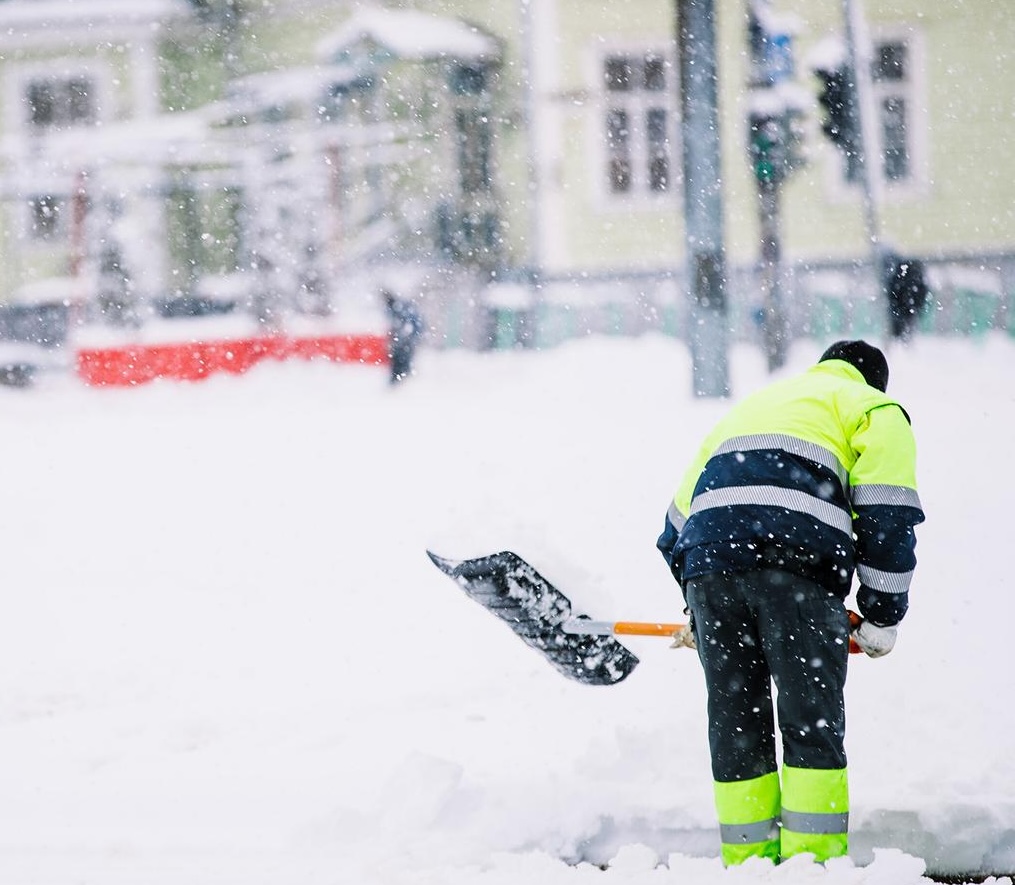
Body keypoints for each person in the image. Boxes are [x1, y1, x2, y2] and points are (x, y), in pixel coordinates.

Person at [656, 340, 925, 867]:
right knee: (810, 721)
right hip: (796, 567)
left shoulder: (757, 406)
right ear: (872, 381)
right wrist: (881, 614)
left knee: (737, 718)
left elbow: (675, 526)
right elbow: (887, 513)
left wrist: (700, 607)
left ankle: (748, 864)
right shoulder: (872, 408)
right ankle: (815, 867)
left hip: (712, 565)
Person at [381, 289, 423, 385]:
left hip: (404, 341)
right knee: (400, 362)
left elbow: (405, 325)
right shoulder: (397, 308)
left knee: (401, 361)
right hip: (403, 341)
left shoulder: (399, 308)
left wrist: (402, 338)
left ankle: (400, 382)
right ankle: (399, 381)